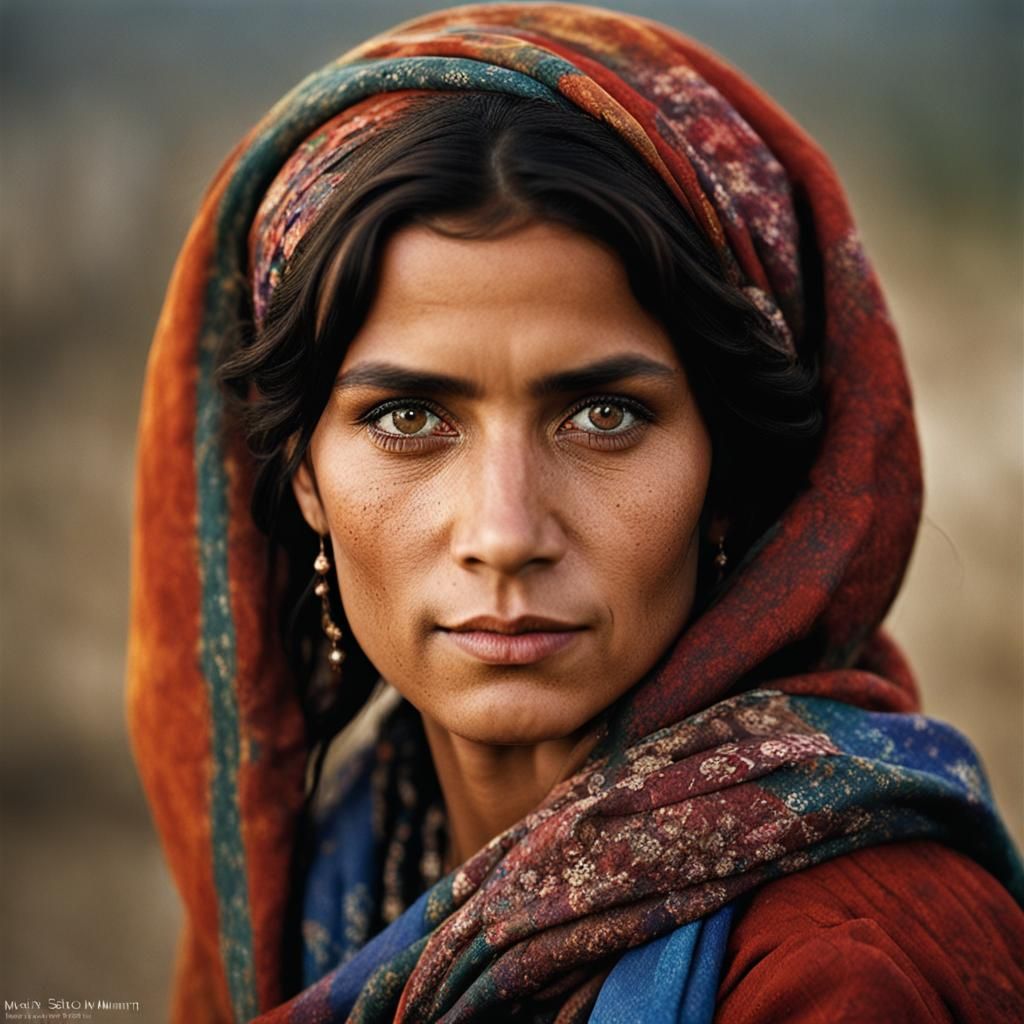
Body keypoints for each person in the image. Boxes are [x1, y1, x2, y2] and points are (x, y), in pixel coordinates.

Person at [126, 4, 1024, 1021]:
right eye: (408, 416)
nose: (505, 533)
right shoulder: (345, 867)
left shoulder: (845, 970)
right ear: (300, 474)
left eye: (604, 415)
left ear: (725, 468)